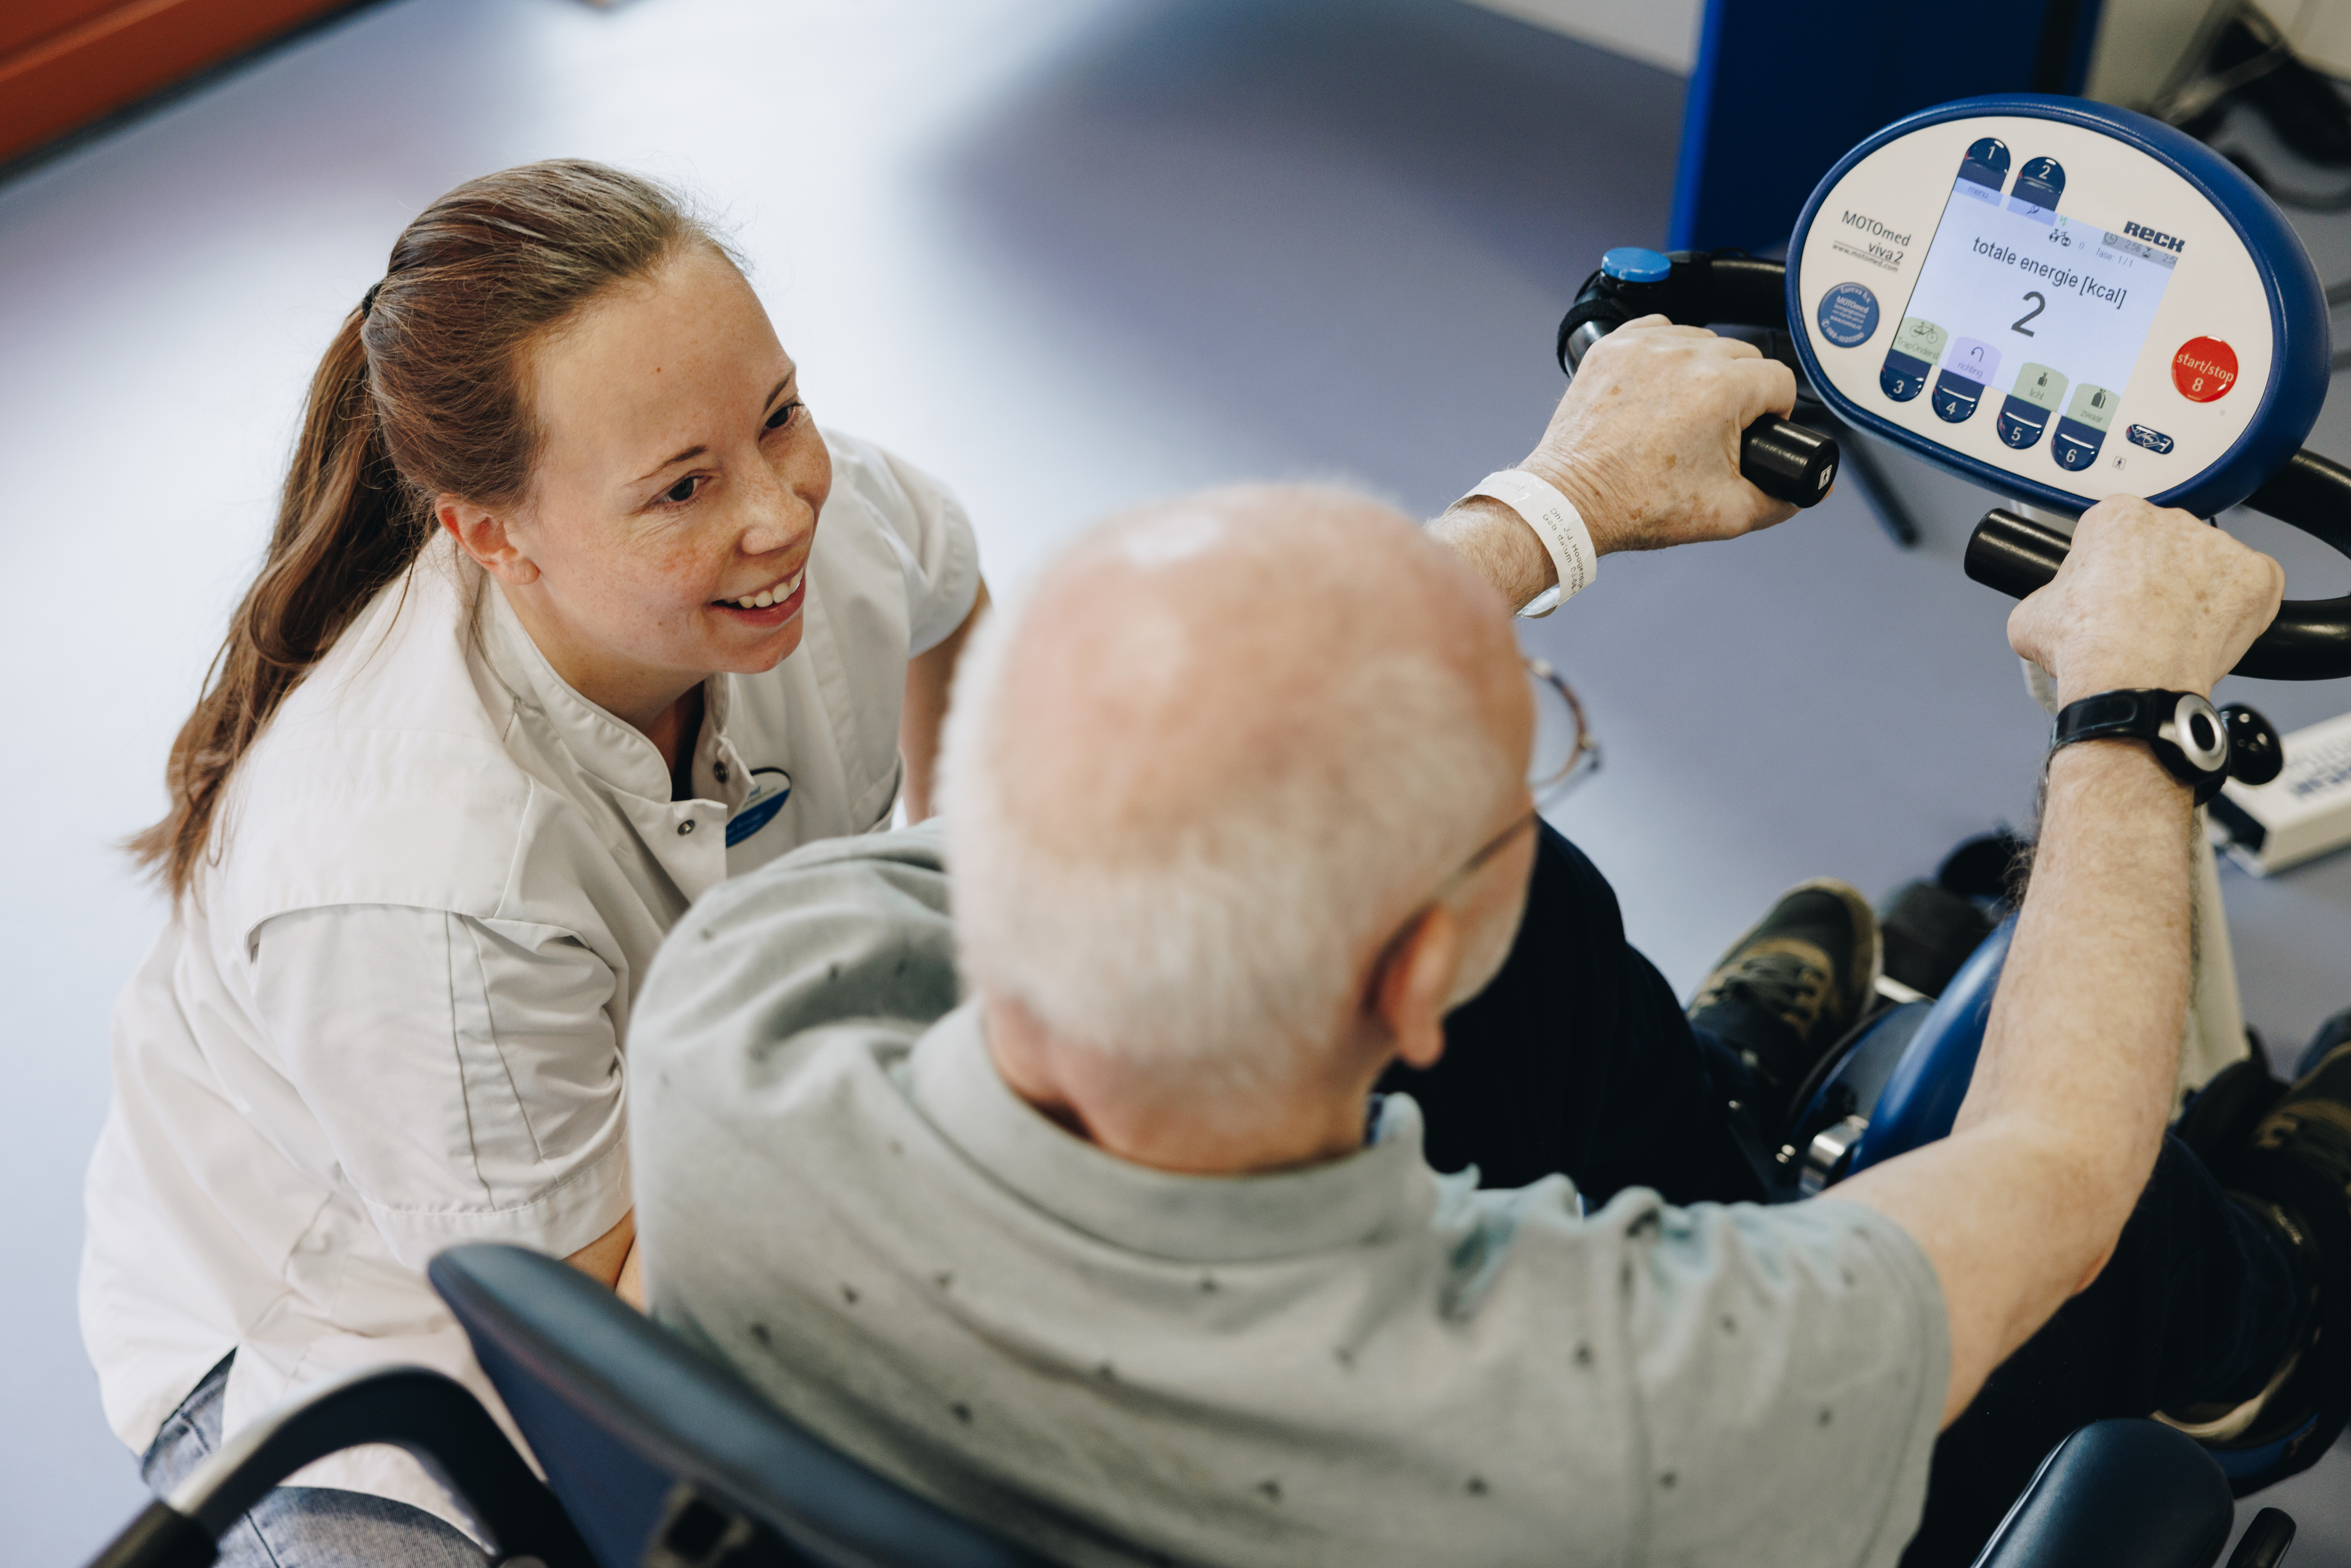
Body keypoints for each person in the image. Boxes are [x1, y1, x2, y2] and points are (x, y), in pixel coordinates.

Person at [628, 455, 2351, 1566]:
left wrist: (1566, 494)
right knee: (2126, 1254)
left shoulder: (740, 1000)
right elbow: (2057, 1168)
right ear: (1406, 980)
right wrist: (2137, 713)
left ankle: (1714, 1112)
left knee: (1564, 966)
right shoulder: (1623, 1409)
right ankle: (2275, 1316)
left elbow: (1197, 753)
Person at [81, 160, 987, 1566]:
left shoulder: (820, 524)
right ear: (491, 534)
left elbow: (946, 601)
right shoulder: (416, 877)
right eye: (684, 486)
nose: (782, 510)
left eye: (780, 413)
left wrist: (971, 888)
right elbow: (594, 1348)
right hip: (360, 1340)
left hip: (683, 1129)